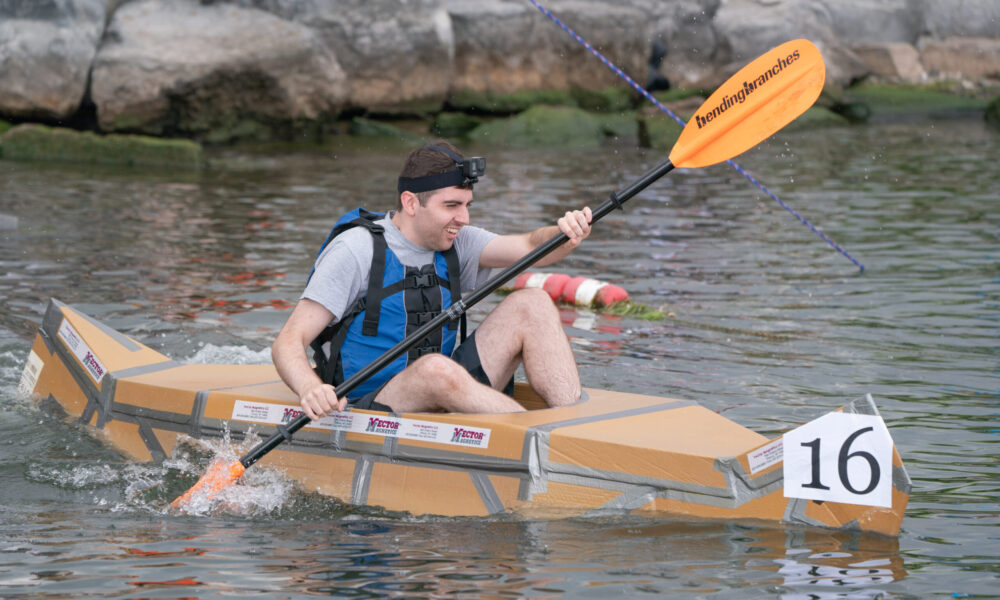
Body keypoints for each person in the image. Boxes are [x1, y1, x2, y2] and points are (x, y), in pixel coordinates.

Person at [272, 140, 592, 419]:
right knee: (435, 369)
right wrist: (310, 388)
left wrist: (565, 232)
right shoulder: (355, 250)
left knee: (533, 303)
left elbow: (530, 246)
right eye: (451, 206)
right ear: (411, 203)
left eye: (467, 205)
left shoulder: (456, 240)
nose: (463, 219)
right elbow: (288, 341)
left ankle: (573, 425)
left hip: (448, 386)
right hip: (367, 403)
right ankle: (542, 445)